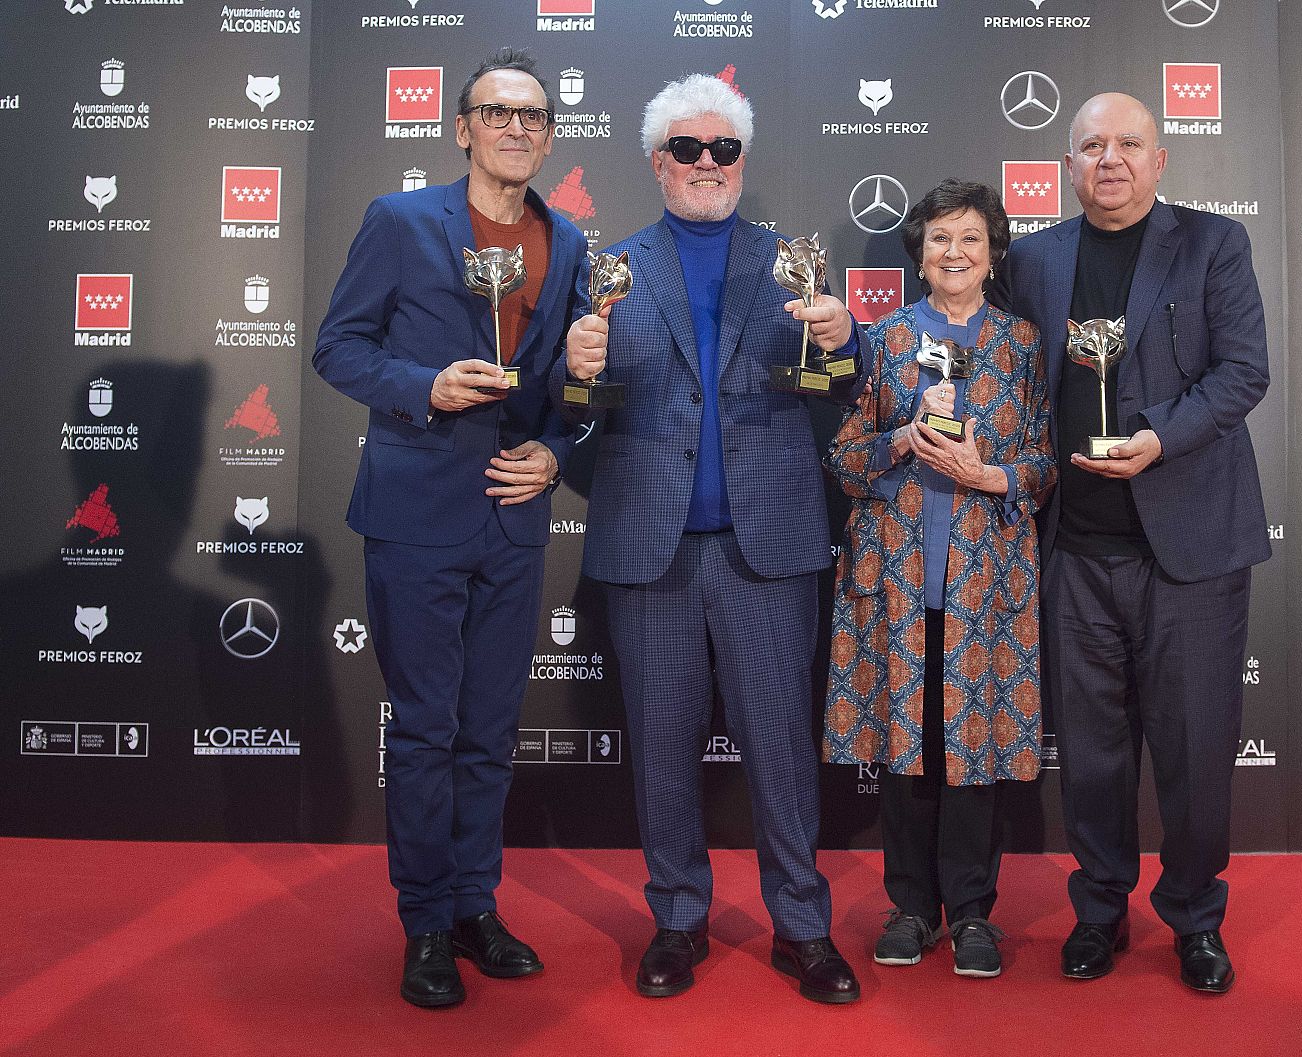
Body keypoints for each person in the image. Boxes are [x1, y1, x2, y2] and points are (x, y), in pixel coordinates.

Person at [561, 74, 862, 1004]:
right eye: (685, 150)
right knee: (660, 745)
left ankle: (803, 927)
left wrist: (844, 342)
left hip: (768, 546)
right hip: (650, 550)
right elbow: (578, 422)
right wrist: (575, 373)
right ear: (657, 162)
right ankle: (678, 919)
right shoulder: (606, 266)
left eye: (722, 149)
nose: (704, 164)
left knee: (780, 744)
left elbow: (837, 399)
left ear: (742, 161)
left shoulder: (791, 266)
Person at [314, 49, 587, 1008]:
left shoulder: (571, 242)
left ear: (550, 134)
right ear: (461, 127)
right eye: (497, 113)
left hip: (515, 518)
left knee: (489, 730)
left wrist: (558, 452)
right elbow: (337, 347)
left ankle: (478, 903)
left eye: (535, 115)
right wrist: (423, 387)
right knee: (426, 729)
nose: (518, 128)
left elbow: (567, 388)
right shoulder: (401, 222)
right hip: (417, 514)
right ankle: (425, 919)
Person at [1002, 92, 1271, 994]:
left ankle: (1195, 917)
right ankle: (1099, 913)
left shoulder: (1212, 244)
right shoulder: (1033, 258)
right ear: (1067, 166)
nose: (1109, 159)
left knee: (1195, 751)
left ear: (1161, 161)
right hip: (1073, 548)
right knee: (1090, 751)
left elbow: (1243, 372)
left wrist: (1157, 434)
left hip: (1188, 549)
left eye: (1128, 144)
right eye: (1090, 146)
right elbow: (981, 347)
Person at [825, 179, 1055, 979]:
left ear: (993, 255)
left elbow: (1044, 462)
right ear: (917, 256)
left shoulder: (1022, 343)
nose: (953, 253)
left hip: (986, 591)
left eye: (970, 239)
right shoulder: (884, 340)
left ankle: (973, 914)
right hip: (894, 584)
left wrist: (988, 474)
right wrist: (900, 440)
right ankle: (911, 907)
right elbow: (845, 458)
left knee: (974, 750)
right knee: (908, 750)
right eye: (938, 240)